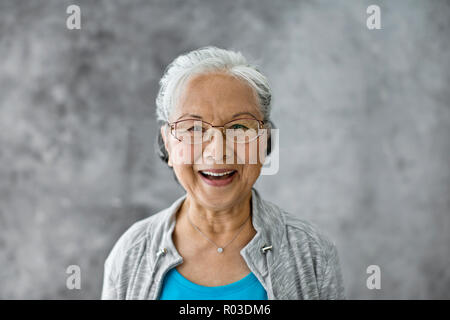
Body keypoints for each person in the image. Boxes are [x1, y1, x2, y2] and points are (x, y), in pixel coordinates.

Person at [101, 46, 345, 300]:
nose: (218, 152)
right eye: (194, 128)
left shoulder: (312, 252)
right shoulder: (132, 252)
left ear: (265, 141)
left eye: (240, 126)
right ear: (169, 143)